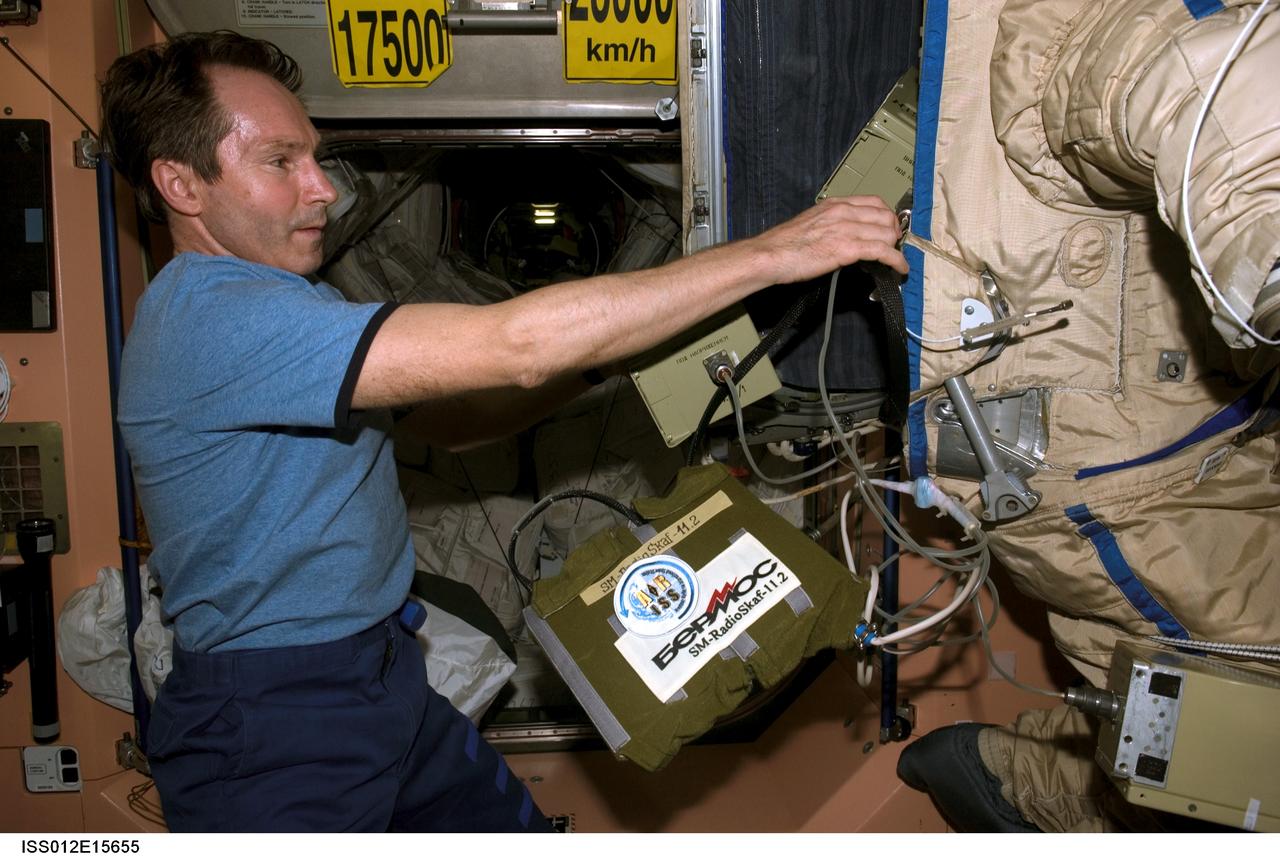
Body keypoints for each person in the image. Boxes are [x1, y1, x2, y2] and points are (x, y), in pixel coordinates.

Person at [100, 31, 907, 832]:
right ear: (181, 184)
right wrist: (776, 252)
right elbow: (515, 347)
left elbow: (452, 425)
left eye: (315, 156)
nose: (325, 191)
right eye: (281, 162)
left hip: (379, 675)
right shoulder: (211, 317)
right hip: (274, 725)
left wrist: (601, 364)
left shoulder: (291, 306)